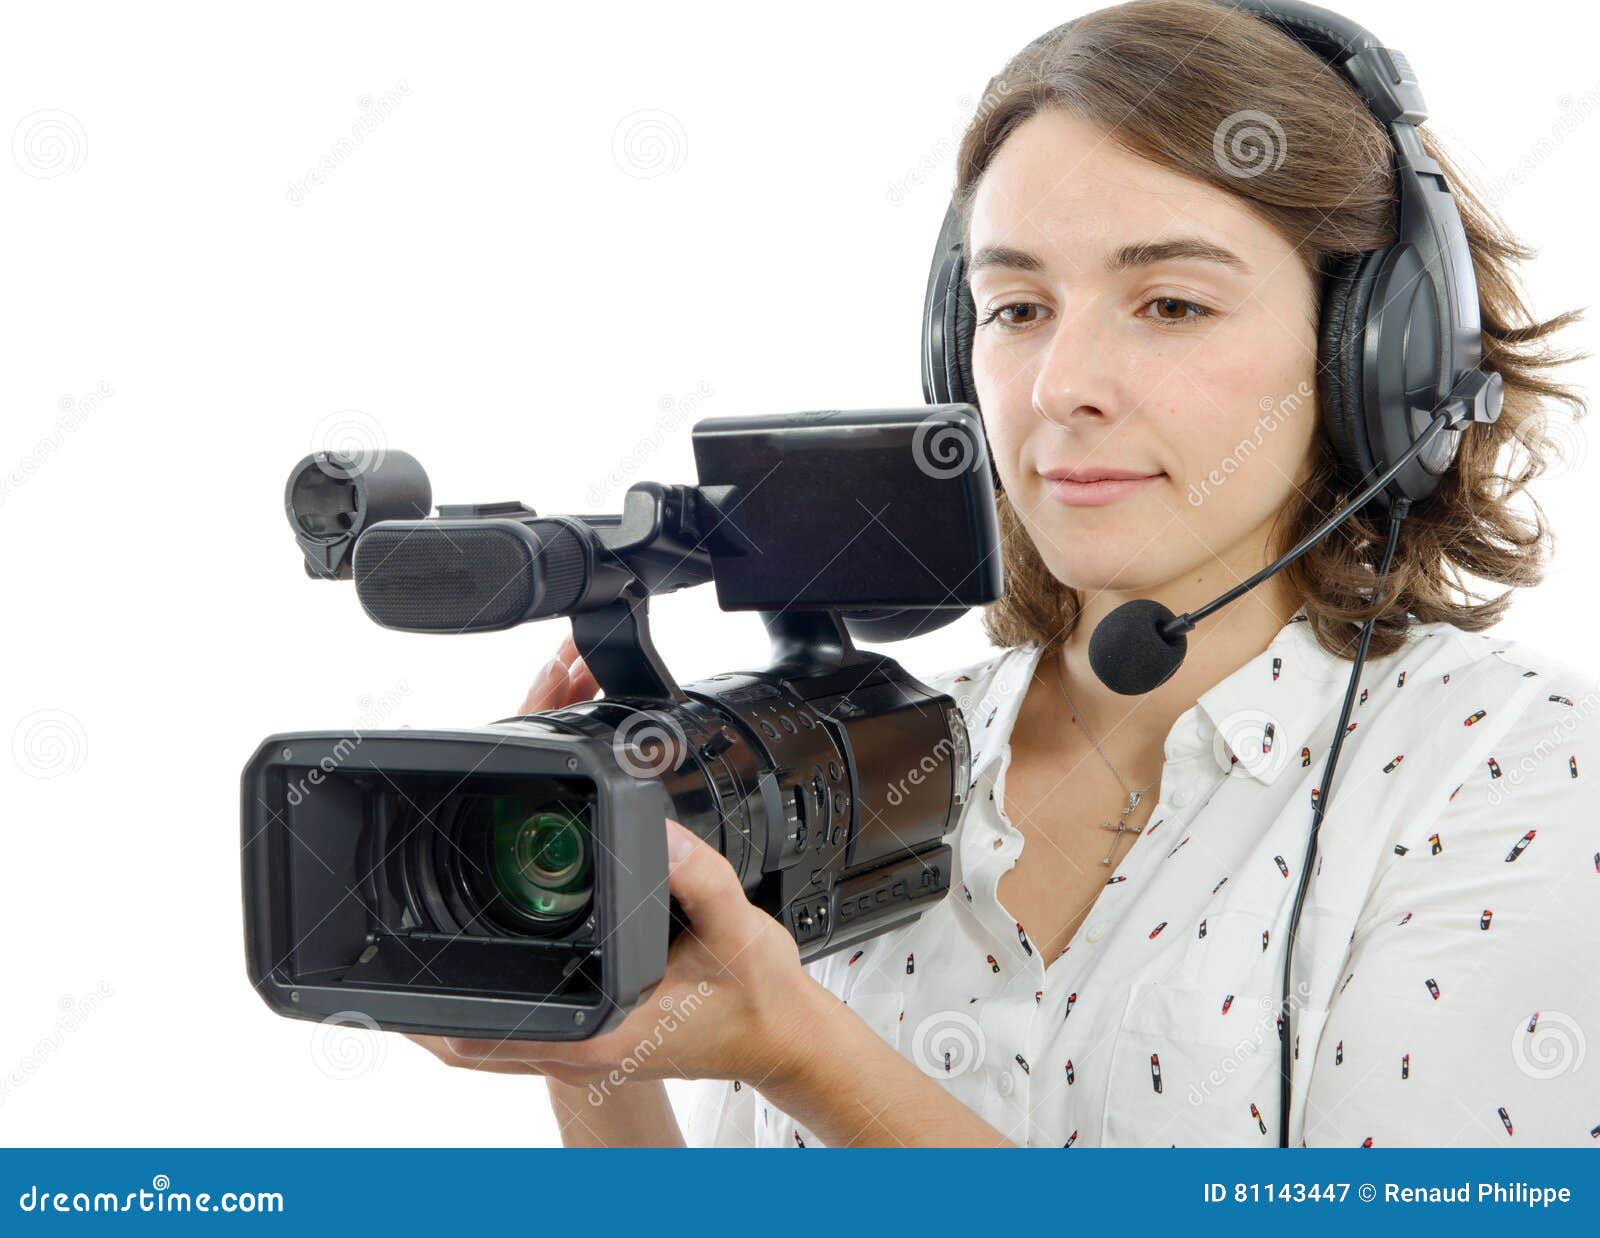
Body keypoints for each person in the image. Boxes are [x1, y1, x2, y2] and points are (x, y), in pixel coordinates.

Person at [409, 0, 1595, 1146]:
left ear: (1374, 356)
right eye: (1017, 307)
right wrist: (580, 1013)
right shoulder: (868, 752)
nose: (1057, 384)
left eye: (1170, 302)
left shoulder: (1511, 766)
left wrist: (806, 1051)